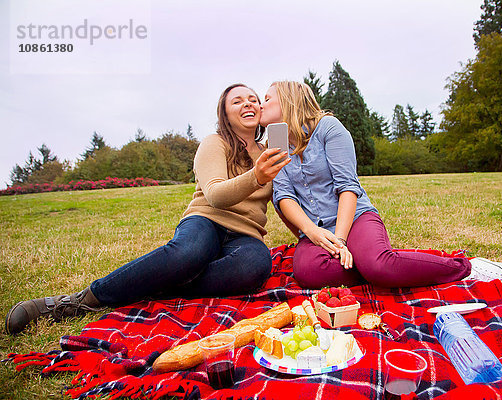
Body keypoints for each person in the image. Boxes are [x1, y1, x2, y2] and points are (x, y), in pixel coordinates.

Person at [5, 83, 291, 335]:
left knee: (256, 265)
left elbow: (287, 196)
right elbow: (215, 195)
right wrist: (257, 176)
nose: (248, 103)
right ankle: (81, 300)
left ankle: (155, 283)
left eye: (253, 98)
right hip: (207, 219)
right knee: (188, 253)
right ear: (225, 114)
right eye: (237, 101)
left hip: (246, 234)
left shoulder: (271, 153)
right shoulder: (214, 143)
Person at [259, 81, 502, 290]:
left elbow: (347, 187)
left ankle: (466, 267)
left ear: (289, 99)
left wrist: (340, 240)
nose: (260, 104)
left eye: (267, 98)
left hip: (355, 218)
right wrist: (312, 233)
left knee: (378, 265)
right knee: (308, 273)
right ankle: (388, 268)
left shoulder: (328, 127)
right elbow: (283, 196)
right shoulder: (276, 146)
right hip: (316, 231)